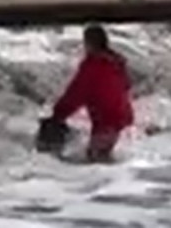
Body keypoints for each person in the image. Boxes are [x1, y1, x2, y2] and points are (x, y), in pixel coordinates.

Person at [52, 25, 134, 163]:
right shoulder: (116, 62)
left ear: (89, 43)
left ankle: (111, 182)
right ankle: (119, 179)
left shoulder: (92, 66)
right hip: (121, 116)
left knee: (95, 157)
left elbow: (76, 93)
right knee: (102, 155)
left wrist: (58, 113)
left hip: (106, 119)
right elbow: (127, 85)